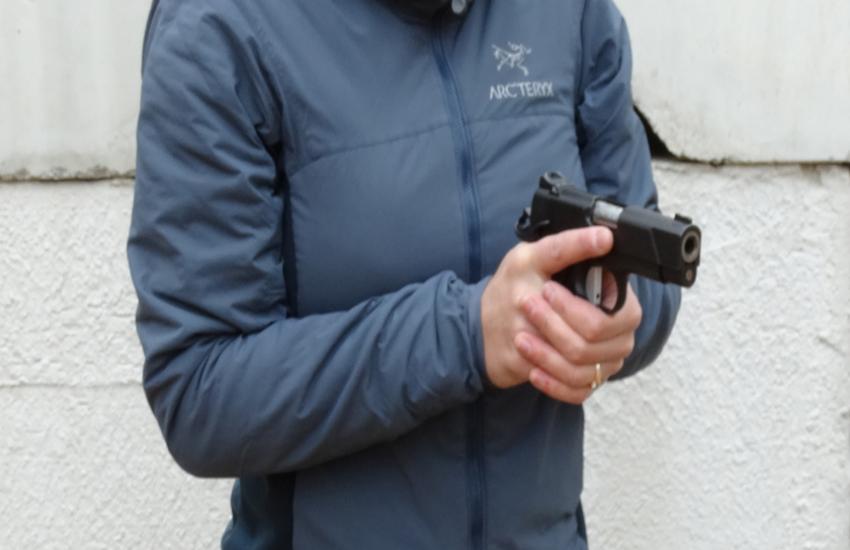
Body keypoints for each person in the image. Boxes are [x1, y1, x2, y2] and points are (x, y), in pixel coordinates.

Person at [127, 0, 681, 548]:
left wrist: (599, 328)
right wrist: (465, 337)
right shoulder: (219, 22)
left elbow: (647, 282)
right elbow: (200, 393)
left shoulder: (574, 12)